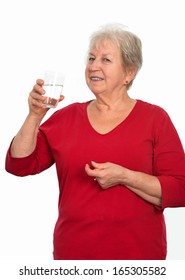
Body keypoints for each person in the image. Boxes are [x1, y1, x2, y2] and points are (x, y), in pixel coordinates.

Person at [5, 23, 185, 260]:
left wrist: (124, 176)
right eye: (91, 58)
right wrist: (35, 115)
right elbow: (19, 165)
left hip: (138, 258)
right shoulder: (65, 118)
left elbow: (180, 189)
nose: (93, 66)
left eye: (105, 60)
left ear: (129, 73)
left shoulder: (155, 118)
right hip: (74, 256)